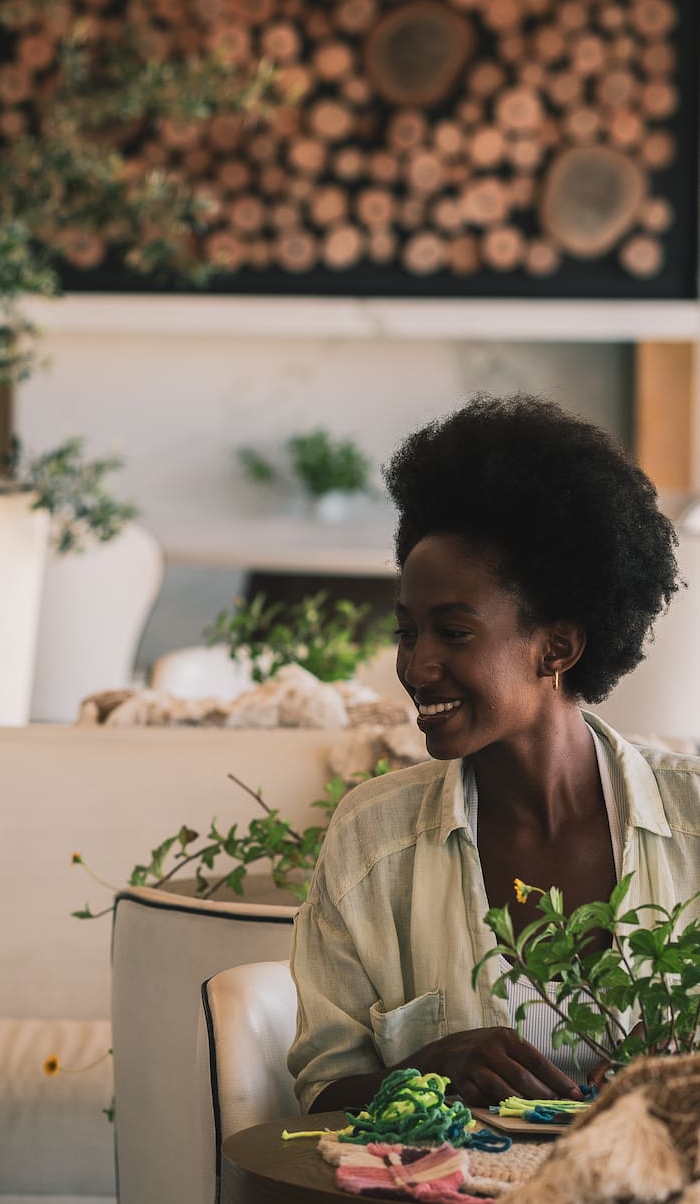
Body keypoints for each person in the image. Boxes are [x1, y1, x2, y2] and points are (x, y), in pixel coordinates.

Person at [290, 394, 699, 1115]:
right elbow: (321, 1096)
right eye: (407, 632)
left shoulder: (692, 819)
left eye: (453, 633)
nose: (416, 666)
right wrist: (426, 1072)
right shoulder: (374, 840)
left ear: (557, 646)